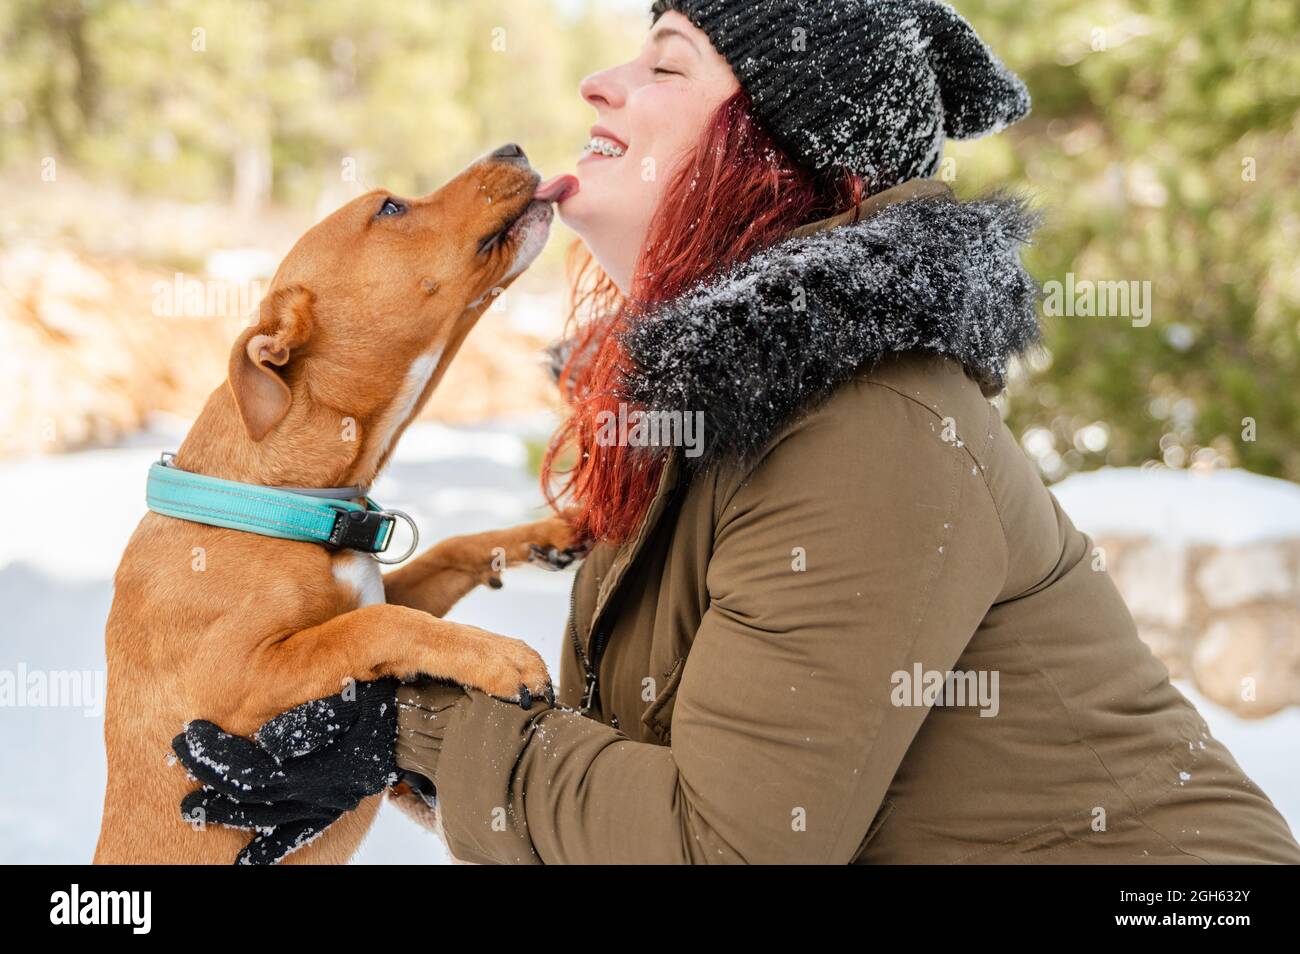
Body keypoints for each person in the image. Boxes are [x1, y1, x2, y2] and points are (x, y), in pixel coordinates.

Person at [173, 0, 1300, 865]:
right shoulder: (698, 423)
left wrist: (397, 727)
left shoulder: (870, 425)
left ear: (777, 158)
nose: (598, 83)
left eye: (667, 64)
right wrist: (389, 737)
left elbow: (723, 844)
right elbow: (641, 777)